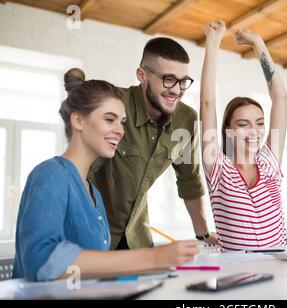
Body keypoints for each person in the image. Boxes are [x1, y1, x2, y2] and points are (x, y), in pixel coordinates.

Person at [13, 69, 198, 281]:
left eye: (122, 122)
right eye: (110, 119)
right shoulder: (50, 175)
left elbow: (94, 269)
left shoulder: (94, 193)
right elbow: (41, 260)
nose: (120, 130)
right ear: (78, 121)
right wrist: (151, 258)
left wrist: (161, 268)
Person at [88, 38, 219, 249]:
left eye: (183, 81)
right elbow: (81, 170)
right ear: (142, 75)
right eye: (168, 79)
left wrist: (203, 234)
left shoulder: (186, 119)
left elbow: (189, 181)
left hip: (137, 238)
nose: (176, 90)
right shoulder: (113, 104)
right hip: (92, 233)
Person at [200, 21, 287, 251]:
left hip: (279, 273)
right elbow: (207, 103)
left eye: (259, 123)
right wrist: (213, 41)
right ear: (228, 129)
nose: (254, 132)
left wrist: (257, 43)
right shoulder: (218, 169)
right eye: (243, 124)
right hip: (237, 277)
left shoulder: (270, 161)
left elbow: (279, 96)